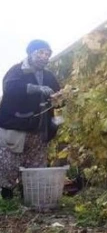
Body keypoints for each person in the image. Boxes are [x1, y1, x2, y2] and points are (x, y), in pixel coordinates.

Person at [0, 40, 61, 199]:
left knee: (35, 165)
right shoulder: (17, 71)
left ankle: (28, 197)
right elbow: (10, 88)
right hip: (16, 127)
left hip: (39, 129)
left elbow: (57, 94)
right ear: (30, 53)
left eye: (47, 54)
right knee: (9, 162)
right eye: (40, 52)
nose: (44, 56)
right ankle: (7, 196)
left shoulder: (48, 76)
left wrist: (61, 98)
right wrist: (36, 88)